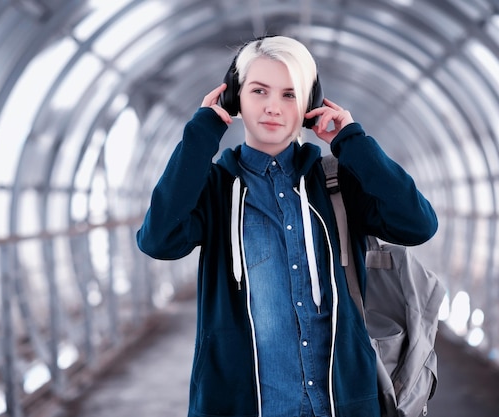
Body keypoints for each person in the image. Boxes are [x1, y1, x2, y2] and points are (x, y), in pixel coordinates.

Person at [136, 35, 437, 417]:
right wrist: (201, 134)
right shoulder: (214, 188)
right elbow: (159, 239)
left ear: (309, 104)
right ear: (235, 99)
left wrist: (351, 141)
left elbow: (418, 224)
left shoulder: (337, 183)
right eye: (259, 91)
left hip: (344, 404)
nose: (272, 108)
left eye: (289, 95)